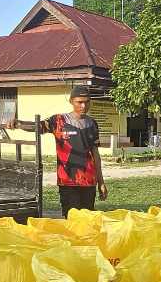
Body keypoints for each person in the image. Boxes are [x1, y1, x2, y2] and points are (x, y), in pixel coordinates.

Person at [8, 86, 107, 215]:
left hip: (89, 181)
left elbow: (96, 155)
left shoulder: (92, 124)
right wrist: (18, 123)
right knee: (72, 219)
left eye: (87, 102)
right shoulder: (58, 121)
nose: (83, 106)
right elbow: (37, 126)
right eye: (79, 102)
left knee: (88, 220)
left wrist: (101, 182)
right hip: (68, 181)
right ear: (71, 101)